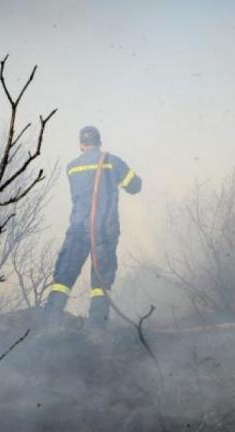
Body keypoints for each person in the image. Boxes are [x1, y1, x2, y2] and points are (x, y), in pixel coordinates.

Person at [43, 125, 142, 328]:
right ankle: (96, 328)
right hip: (104, 231)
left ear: (81, 145)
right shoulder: (112, 162)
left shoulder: (72, 167)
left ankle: (49, 322)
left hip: (78, 229)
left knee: (64, 275)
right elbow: (135, 186)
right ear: (100, 142)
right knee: (101, 281)